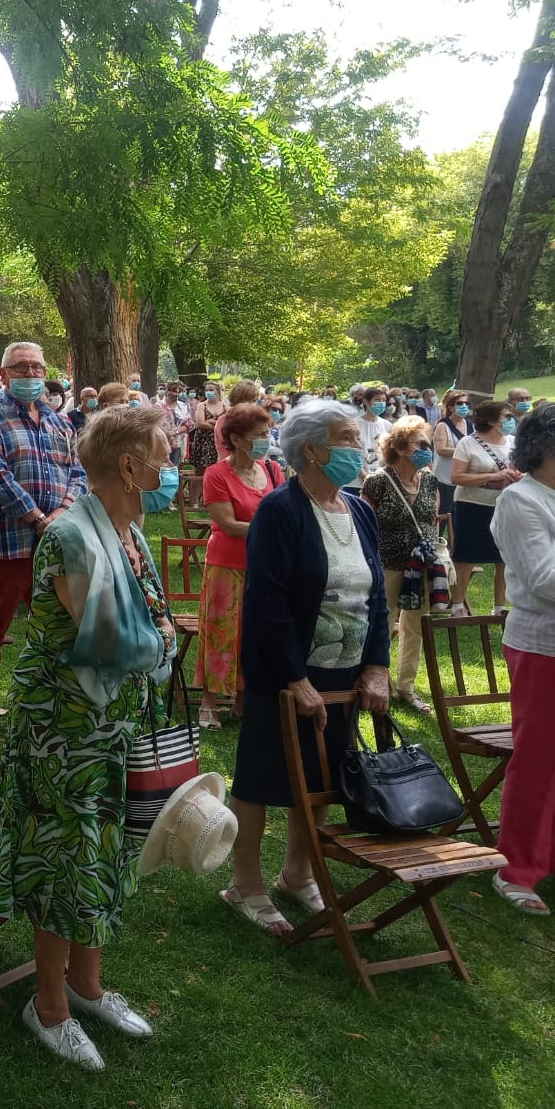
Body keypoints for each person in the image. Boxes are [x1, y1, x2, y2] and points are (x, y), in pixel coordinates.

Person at [0, 406, 178, 1071]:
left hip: (113, 726)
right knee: (64, 862)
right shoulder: (70, 536)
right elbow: (110, 638)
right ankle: (49, 1004)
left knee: (104, 850)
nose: (170, 471)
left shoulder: (130, 530)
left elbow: (148, 618)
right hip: (65, 734)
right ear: (128, 467)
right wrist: (167, 640)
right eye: (163, 458)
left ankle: (88, 987)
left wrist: (164, 634)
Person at [222, 399, 390, 937]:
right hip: (285, 671)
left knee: (323, 773)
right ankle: (244, 884)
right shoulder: (280, 509)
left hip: (345, 671)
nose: (357, 447)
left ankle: (297, 874)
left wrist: (377, 667)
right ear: (313, 450)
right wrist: (296, 677)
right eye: (345, 438)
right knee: (262, 772)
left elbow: (377, 596)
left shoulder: (359, 508)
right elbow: (267, 602)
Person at [0, 341, 87, 747]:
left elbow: (79, 474)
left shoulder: (60, 423)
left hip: (58, 548)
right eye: (21, 368)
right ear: (3, 375)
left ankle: (49, 714)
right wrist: (37, 519)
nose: (32, 375)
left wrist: (61, 514)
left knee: (60, 634)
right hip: (6, 545)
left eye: (37, 367)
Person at [488, 404, 555, 915]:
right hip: (542, 646)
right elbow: (543, 581)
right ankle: (517, 867)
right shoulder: (521, 499)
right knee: (538, 759)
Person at [197, 405, 281, 731]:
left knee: (254, 632)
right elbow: (228, 524)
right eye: (259, 435)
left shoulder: (272, 470)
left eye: (268, 433)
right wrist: (271, 527)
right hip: (226, 566)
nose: (266, 439)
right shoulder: (216, 474)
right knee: (221, 632)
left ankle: (242, 700)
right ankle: (209, 702)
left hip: (263, 566)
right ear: (236, 438)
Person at [360, 416, 442, 713]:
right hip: (388, 563)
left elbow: (431, 519)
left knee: (416, 625)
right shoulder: (378, 480)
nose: (427, 449)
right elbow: (364, 524)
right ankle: (375, 679)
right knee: (382, 623)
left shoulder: (430, 479)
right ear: (400, 447)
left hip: (421, 565)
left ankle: (406, 687)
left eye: (428, 444)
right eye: (421, 444)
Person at [450, 399, 519, 617]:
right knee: (466, 557)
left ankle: (500, 607)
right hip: (471, 506)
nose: (510, 420)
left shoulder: (513, 442)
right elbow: (456, 477)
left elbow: (522, 468)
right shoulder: (467, 443)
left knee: (504, 558)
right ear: (490, 420)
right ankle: (458, 606)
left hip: (504, 506)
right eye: (506, 417)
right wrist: (493, 476)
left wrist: (519, 476)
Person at [432, 389, 472, 515]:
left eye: (466, 403)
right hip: (445, 478)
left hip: (464, 476)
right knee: (444, 512)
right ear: (450, 407)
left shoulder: (469, 424)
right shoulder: (443, 425)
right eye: (460, 404)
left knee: (460, 514)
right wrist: (464, 452)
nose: (464, 406)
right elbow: (441, 449)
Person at [352, 386, 391, 484]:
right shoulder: (354, 424)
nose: (381, 403)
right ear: (365, 401)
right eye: (377, 400)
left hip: (379, 481)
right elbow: (351, 454)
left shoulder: (387, 425)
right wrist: (364, 476)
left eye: (383, 400)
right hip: (357, 483)